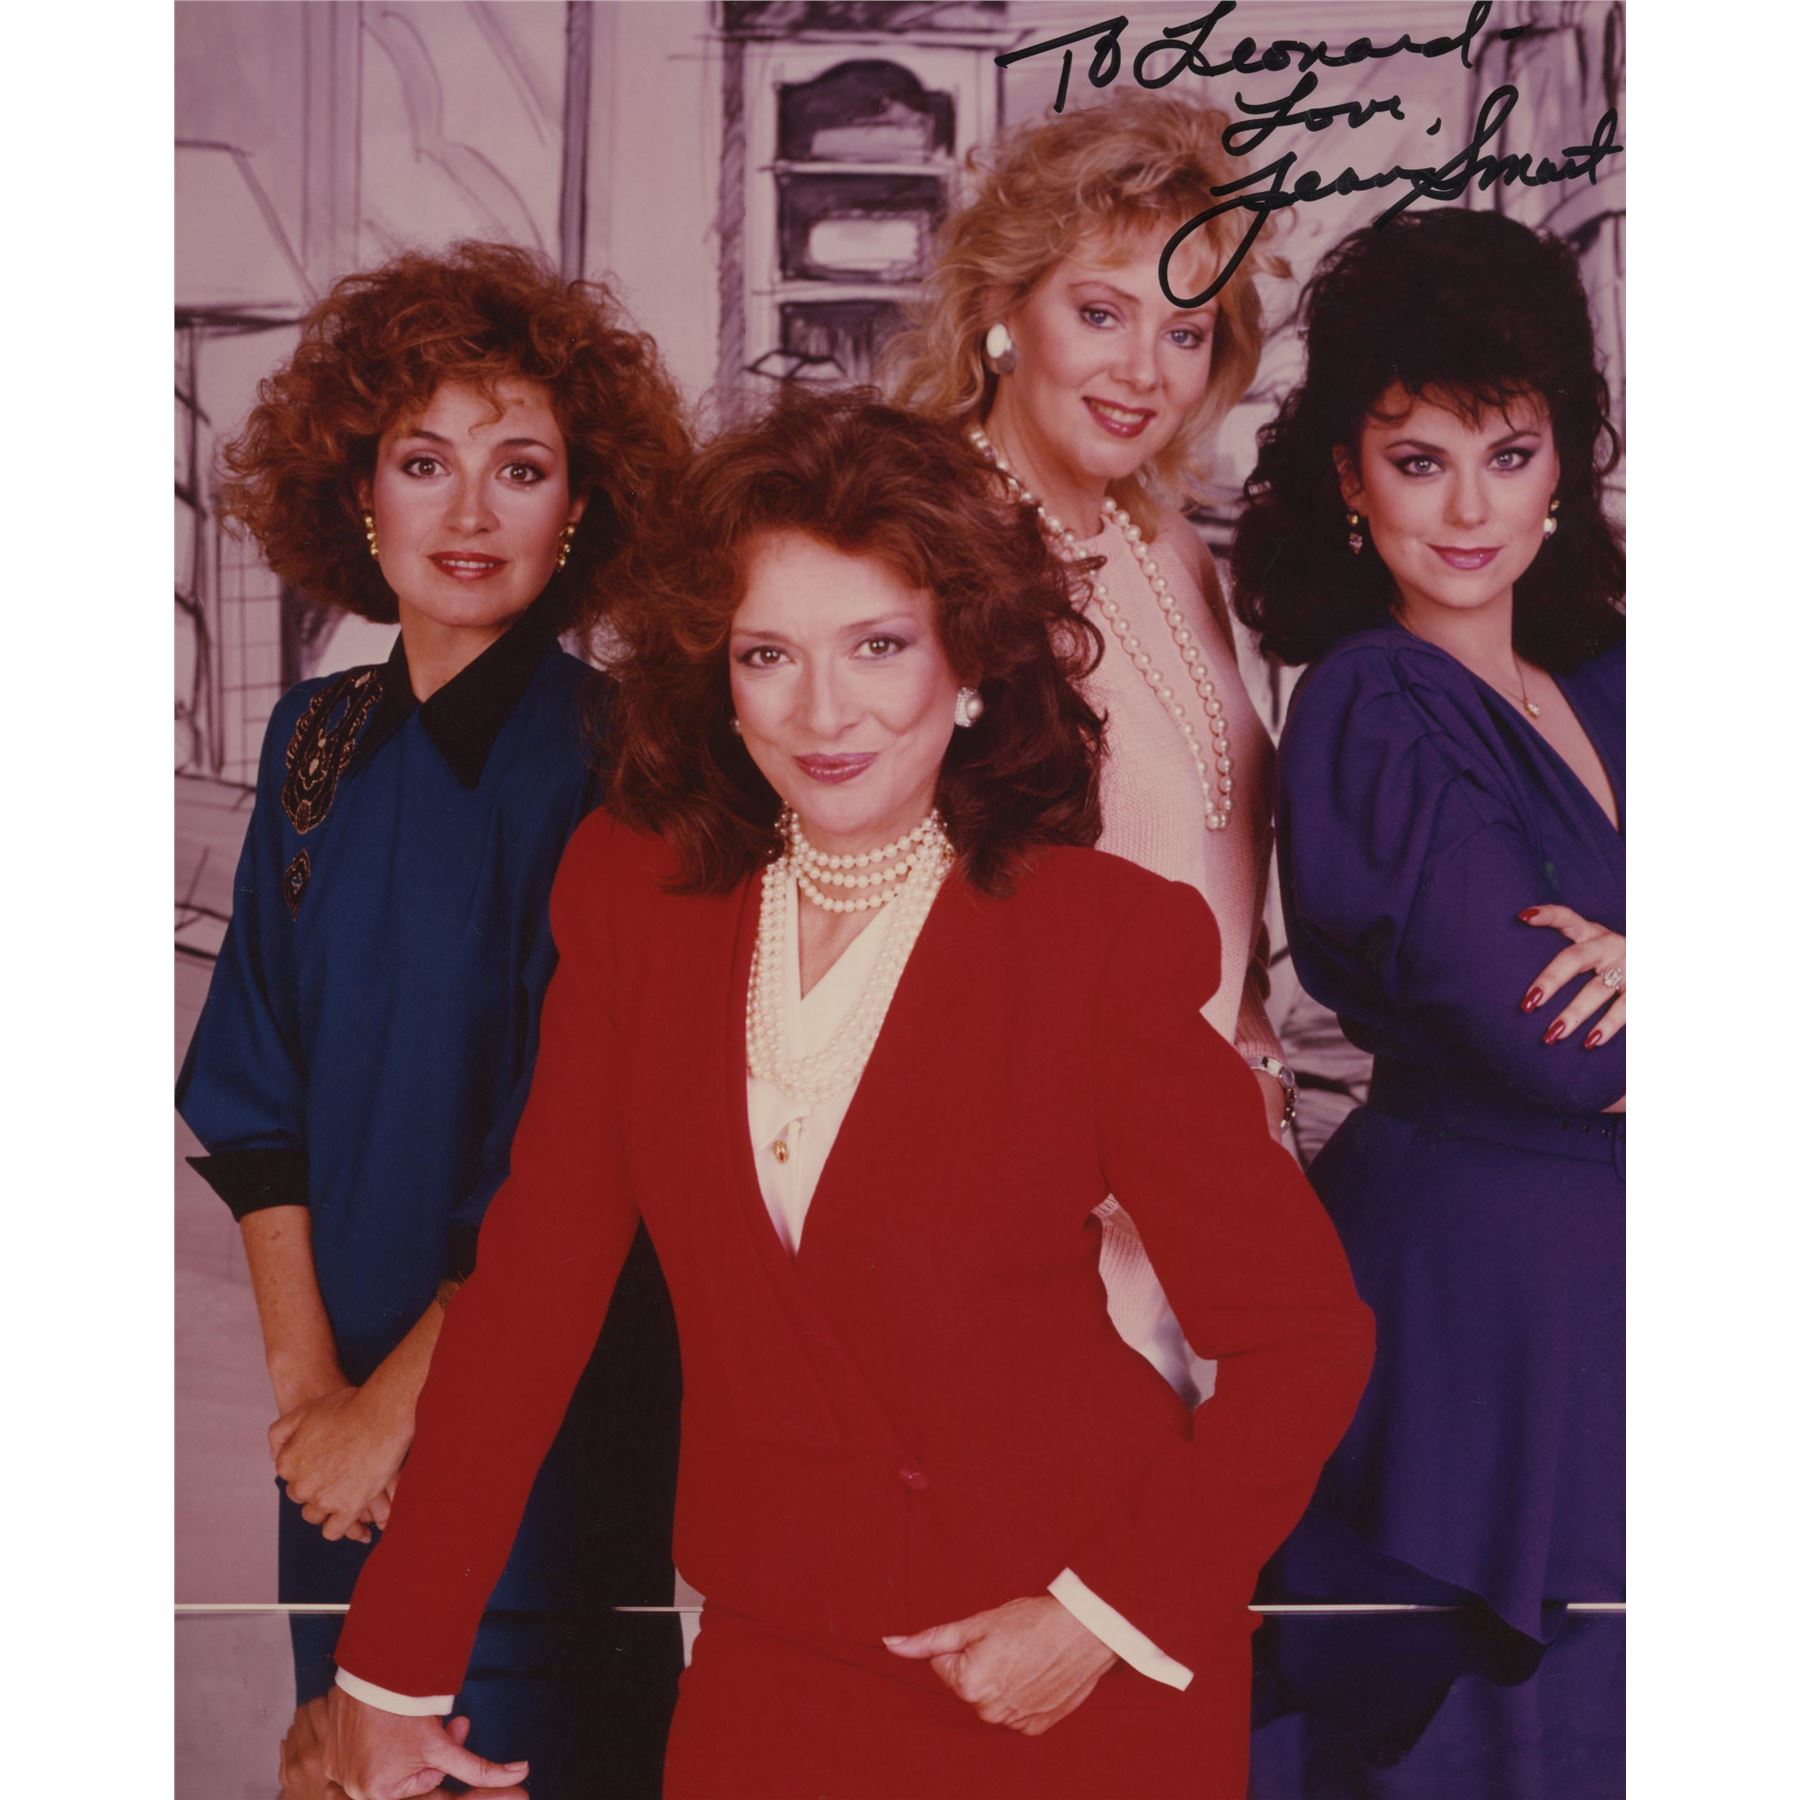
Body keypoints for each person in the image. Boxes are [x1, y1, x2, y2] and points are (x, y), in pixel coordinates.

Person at [321, 391, 1373, 1800]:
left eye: (879, 645)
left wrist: (1105, 1615)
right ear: (718, 676)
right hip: (778, 1652)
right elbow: (530, 1299)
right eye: (769, 655)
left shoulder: (1100, 938)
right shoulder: (638, 896)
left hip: (1068, 1658)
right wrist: (391, 1666)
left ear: (970, 660)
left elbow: (1304, 1341)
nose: (824, 712)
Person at [176, 240, 688, 1798]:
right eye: (424, 463)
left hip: (542, 1429)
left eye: (519, 468)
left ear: (579, 507)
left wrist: (389, 1420)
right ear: (360, 492)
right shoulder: (312, 739)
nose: (470, 514)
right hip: (333, 1437)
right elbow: (252, 1102)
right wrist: (312, 1412)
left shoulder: (623, 769)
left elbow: (577, 1168)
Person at [1229, 209, 1625, 1787]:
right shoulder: (1371, 705)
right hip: (1476, 1302)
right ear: (1347, 474)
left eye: (1509, 455)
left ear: (1564, 462)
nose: (1470, 508)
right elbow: (1559, 1045)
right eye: (1418, 460)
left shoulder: (1612, 675)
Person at [884, 94, 1296, 1403]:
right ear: (1003, 309)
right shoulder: (914, 544)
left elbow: (1216, 867)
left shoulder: (1168, 549)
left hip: (1208, 1190)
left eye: (1186, 331)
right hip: (1024, 1215)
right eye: (1102, 312)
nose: (1144, 371)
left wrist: (1252, 1054)